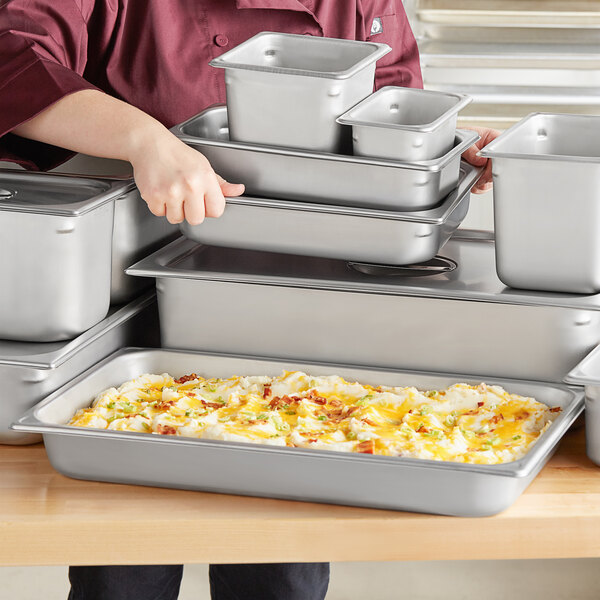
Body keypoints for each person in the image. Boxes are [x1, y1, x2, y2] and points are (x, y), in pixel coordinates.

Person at [0, 2, 497, 599]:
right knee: (126, 567)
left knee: (281, 569)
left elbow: (392, 104)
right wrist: (144, 140)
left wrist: (448, 153)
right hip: (139, 310)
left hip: (301, 315)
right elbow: (13, 57)